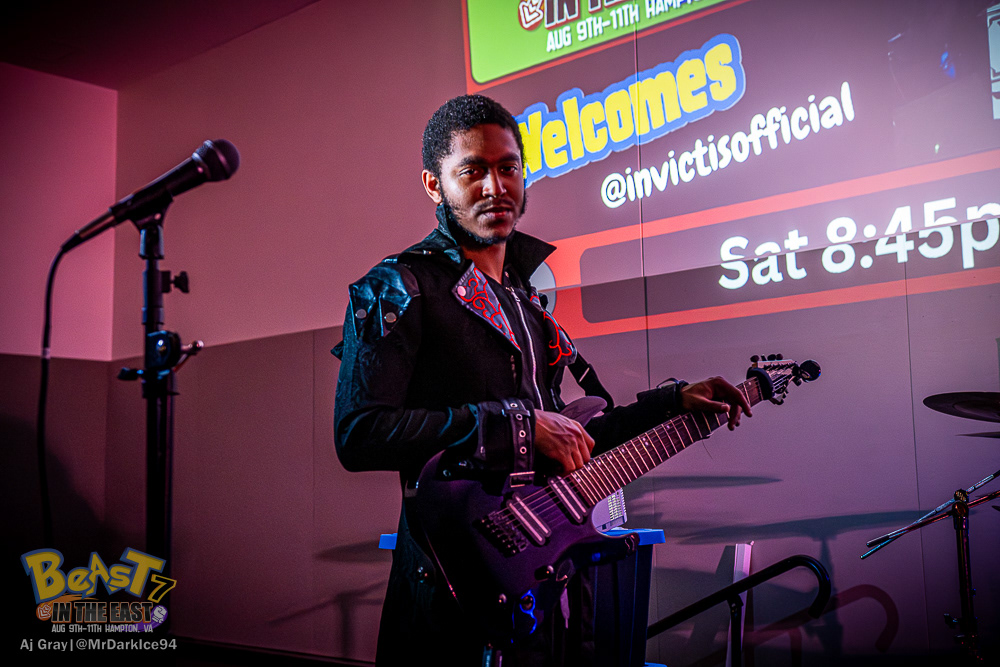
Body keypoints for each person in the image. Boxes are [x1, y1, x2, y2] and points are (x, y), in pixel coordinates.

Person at [333, 94, 751, 666]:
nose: (495, 187)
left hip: (541, 591)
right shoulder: (397, 286)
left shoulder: (528, 304)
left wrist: (673, 402)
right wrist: (517, 426)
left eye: (508, 167)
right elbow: (359, 433)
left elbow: (570, 440)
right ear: (435, 186)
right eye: (472, 171)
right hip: (446, 599)